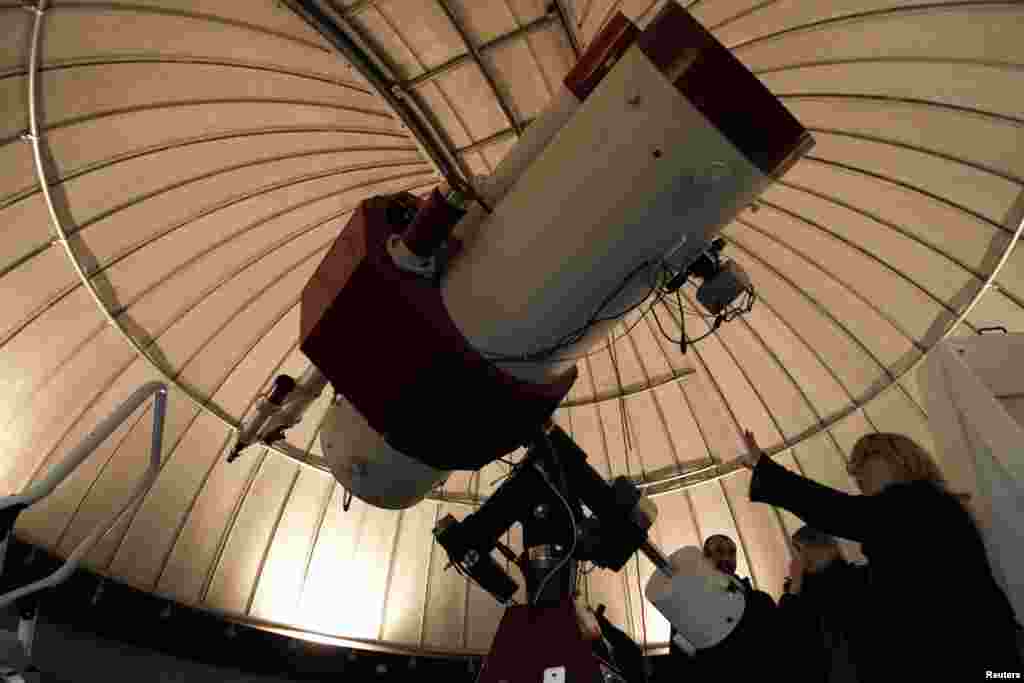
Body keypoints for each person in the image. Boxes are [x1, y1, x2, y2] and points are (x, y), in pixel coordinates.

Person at [739, 430, 1023, 680]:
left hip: (972, 659)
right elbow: (886, 588)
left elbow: (837, 511)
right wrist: (830, 567)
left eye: (861, 464)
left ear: (890, 459)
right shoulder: (932, 507)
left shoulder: (918, 502)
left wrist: (766, 470)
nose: (856, 475)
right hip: (989, 658)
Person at [667, 535, 778, 677]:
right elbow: (680, 662)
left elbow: (777, 647)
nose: (726, 558)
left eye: (732, 553)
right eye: (719, 552)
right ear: (705, 560)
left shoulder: (760, 600)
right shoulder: (687, 607)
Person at [779, 526, 870, 683]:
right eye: (797, 552)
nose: (801, 558)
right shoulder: (797, 594)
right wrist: (795, 587)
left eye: (802, 549)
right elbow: (786, 638)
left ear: (830, 548)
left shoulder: (857, 578)